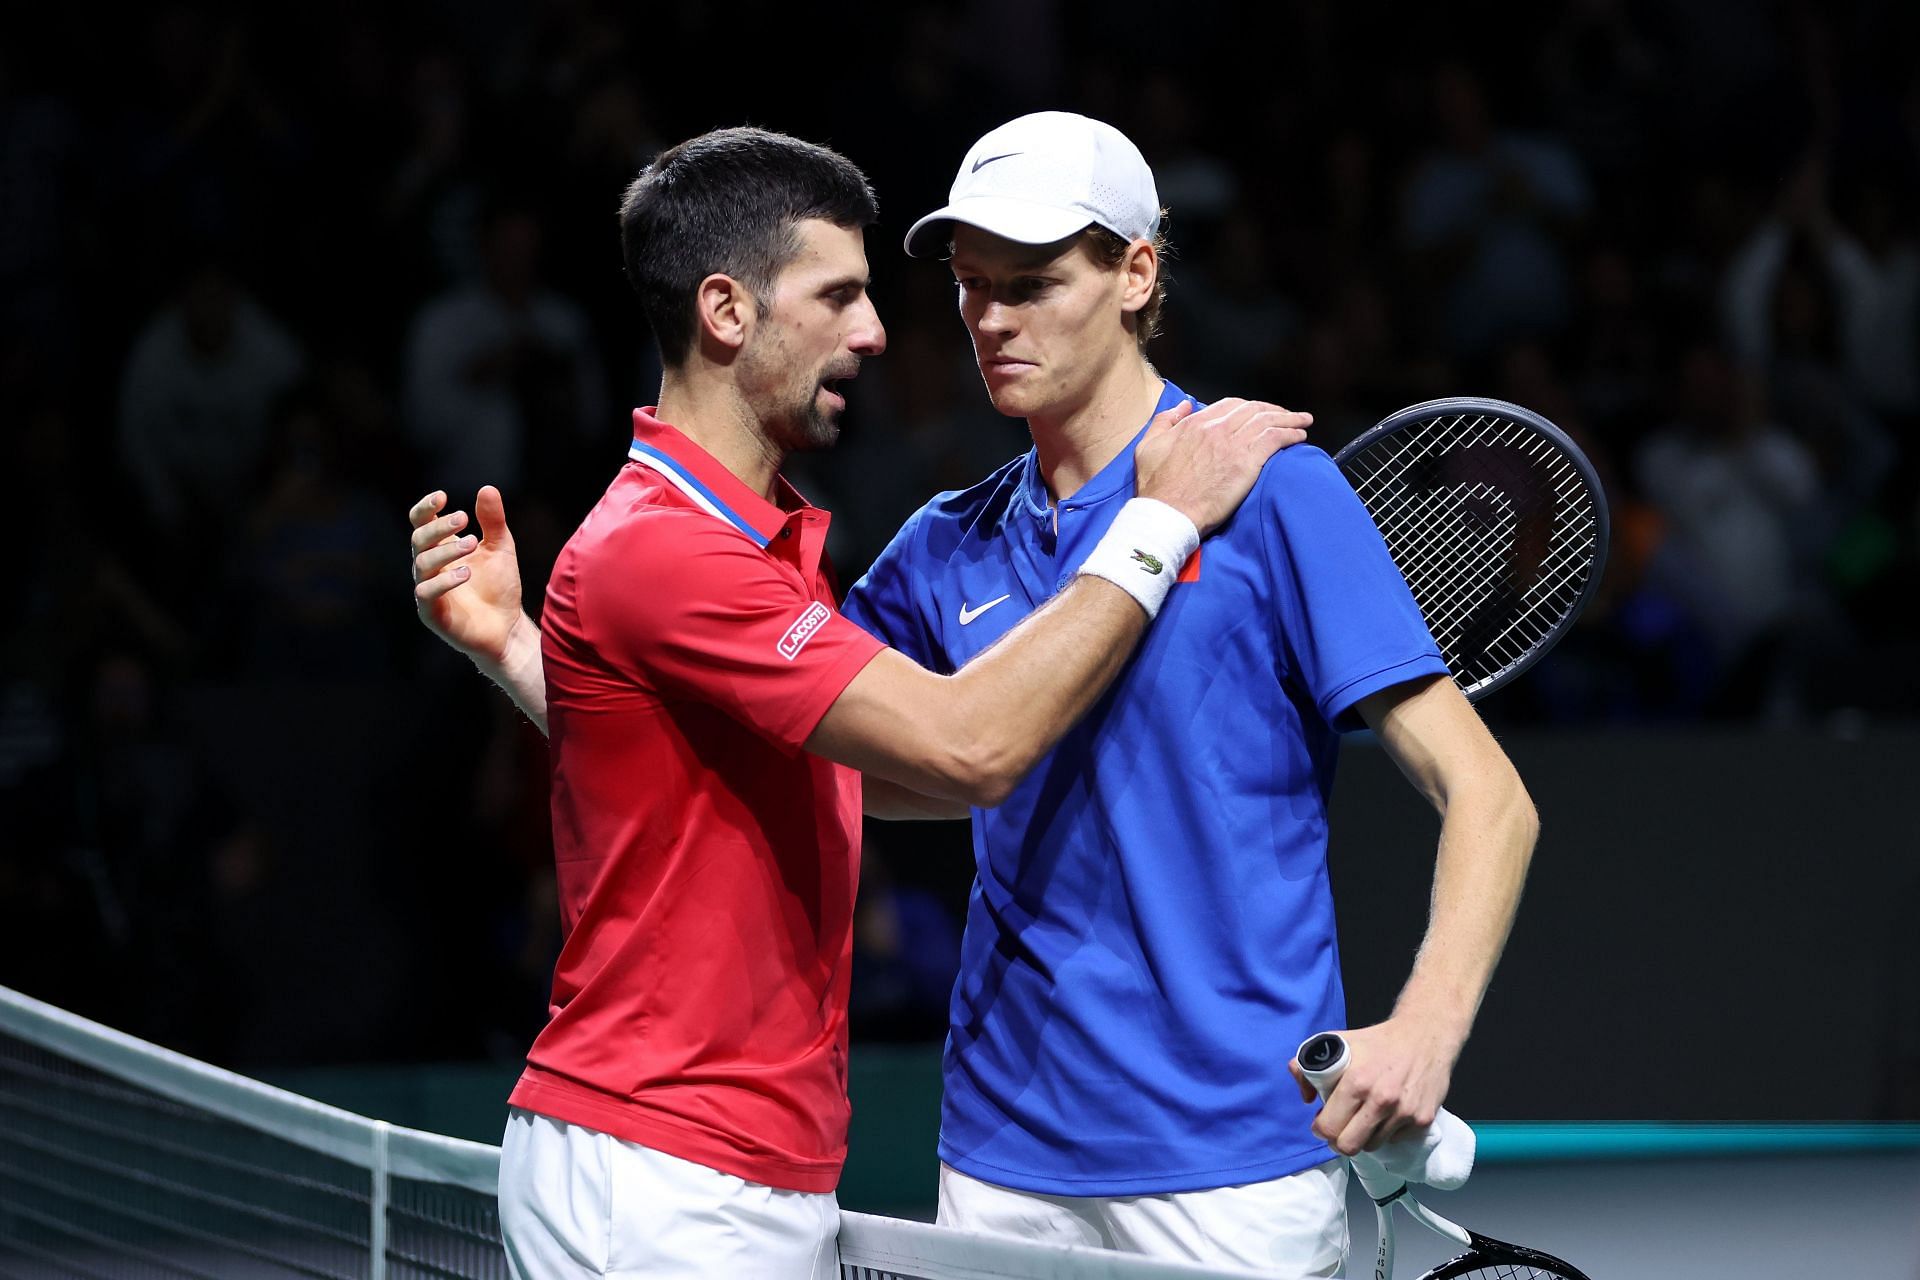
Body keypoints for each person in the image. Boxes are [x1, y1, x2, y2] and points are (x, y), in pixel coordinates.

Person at [416, 114, 1536, 1277]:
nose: (990, 319)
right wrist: (535, 659)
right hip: (1003, 1161)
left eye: (1035, 282)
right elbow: (782, 752)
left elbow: (1490, 795)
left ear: (1137, 271)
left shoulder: (1273, 494)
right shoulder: (944, 547)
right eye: (971, 283)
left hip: (1232, 1160)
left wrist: (1425, 1029)